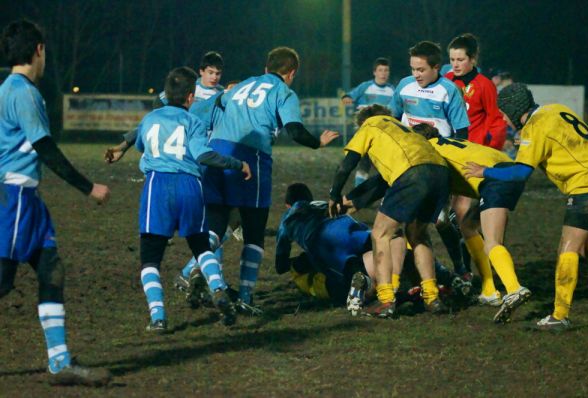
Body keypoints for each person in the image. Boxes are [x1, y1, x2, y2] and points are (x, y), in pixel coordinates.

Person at [0, 19, 111, 386]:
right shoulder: (23, 92)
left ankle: (60, 362)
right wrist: (88, 187)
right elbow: (44, 148)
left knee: (52, 271)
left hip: (26, 200)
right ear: (39, 50)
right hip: (14, 198)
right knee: (2, 282)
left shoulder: (9, 89)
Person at [203, 47, 339, 312]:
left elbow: (217, 104)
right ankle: (245, 298)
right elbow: (295, 131)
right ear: (291, 73)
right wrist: (318, 143)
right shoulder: (283, 92)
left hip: (215, 152)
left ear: (266, 68)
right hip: (250, 157)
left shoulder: (242, 85)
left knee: (216, 225)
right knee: (254, 230)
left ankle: (201, 271)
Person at [463, 83, 588, 331]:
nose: (504, 119)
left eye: (504, 113)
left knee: (568, 248)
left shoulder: (534, 127)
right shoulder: (556, 109)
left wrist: (485, 171)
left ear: (514, 110)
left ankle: (559, 316)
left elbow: (520, 173)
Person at [133, 66, 251, 331]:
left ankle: (158, 317)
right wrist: (236, 163)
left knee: (150, 258)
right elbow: (203, 156)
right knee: (201, 245)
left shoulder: (150, 119)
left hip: (157, 187)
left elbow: (142, 147)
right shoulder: (193, 122)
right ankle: (218, 289)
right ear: (190, 97)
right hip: (189, 185)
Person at [328, 104, 449, 318]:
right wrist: (354, 201)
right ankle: (432, 297)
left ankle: (385, 300)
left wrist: (334, 194)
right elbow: (385, 180)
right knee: (418, 234)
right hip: (439, 172)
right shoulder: (402, 130)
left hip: (412, 174)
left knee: (380, 234)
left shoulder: (370, 125)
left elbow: (346, 166)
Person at [276, 183, 471, 314]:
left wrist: (299, 260)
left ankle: (367, 288)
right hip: (352, 228)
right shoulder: (320, 204)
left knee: (343, 280)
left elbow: (280, 265)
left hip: (323, 240)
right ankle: (445, 277)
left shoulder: (288, 218)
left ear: (287, 205)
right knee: (393, 240)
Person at [412, 123, 531, 323]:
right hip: (507, 167)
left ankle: (514, 289)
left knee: (493, 241)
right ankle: (489, 289)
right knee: (468, 225)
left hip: (494, 179)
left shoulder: (431, 153)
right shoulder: (450, 141)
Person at [390, 40, 471, 278]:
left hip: (438, 165)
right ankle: (409, 272)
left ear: (436, 67)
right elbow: (392, 120)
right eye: (413, 69)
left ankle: (461, 268)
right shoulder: (404, 86)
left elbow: (462, 134)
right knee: (402, 219)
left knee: (442, 221)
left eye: (421, 70)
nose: (416, 74)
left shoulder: (449, 90)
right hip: (407, 162)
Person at [105, 51, 225, 163]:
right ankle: (123, 147)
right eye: (211, 72)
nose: (214, 77)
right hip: (179, 143)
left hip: (201, 146)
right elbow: (159, 102)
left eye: (218, 73)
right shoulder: (188, 85)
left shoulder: (222, 93)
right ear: (201, 71)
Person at [445, 33, 506, 150]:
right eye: (452, 59)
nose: (455, 65)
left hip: (473, 149)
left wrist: (491, 150)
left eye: (460, 60)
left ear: (472, 59)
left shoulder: (485, 85)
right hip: (447, 146)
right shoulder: (446, 80)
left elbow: (496, 121)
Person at [342, 57, 395, 186]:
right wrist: (347, 98)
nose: (383, 73)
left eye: (386, 70)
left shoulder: (393, 90)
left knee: (386, 165)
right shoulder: (365, 87)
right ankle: (358, 192)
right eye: (380, 70)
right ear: (374, 72)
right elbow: (349, 95)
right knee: (363, 163)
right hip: (365, 132)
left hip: (383, 135)